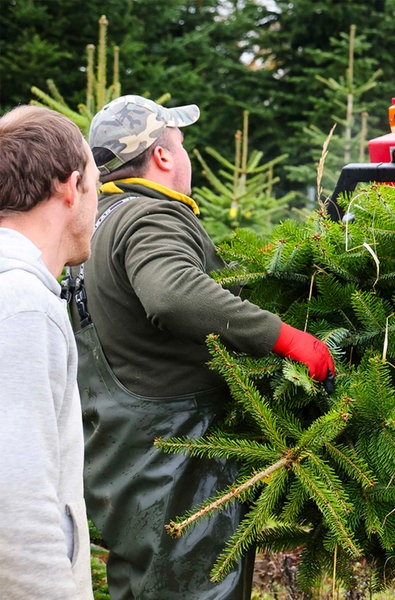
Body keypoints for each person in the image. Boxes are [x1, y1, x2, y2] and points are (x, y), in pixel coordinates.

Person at [78, 95, 334, 599]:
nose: (185, 154)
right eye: (181, 142)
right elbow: (172, 295)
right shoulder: (150, 217)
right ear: (163, 156)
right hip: (176, 459)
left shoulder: (95, 225)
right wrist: (283, 336)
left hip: (118, 453)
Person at [0, 105, 99, 598]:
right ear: (69, 186)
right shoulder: (23, 306)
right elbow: (15, 502)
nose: (96, 205)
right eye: (95, 187)